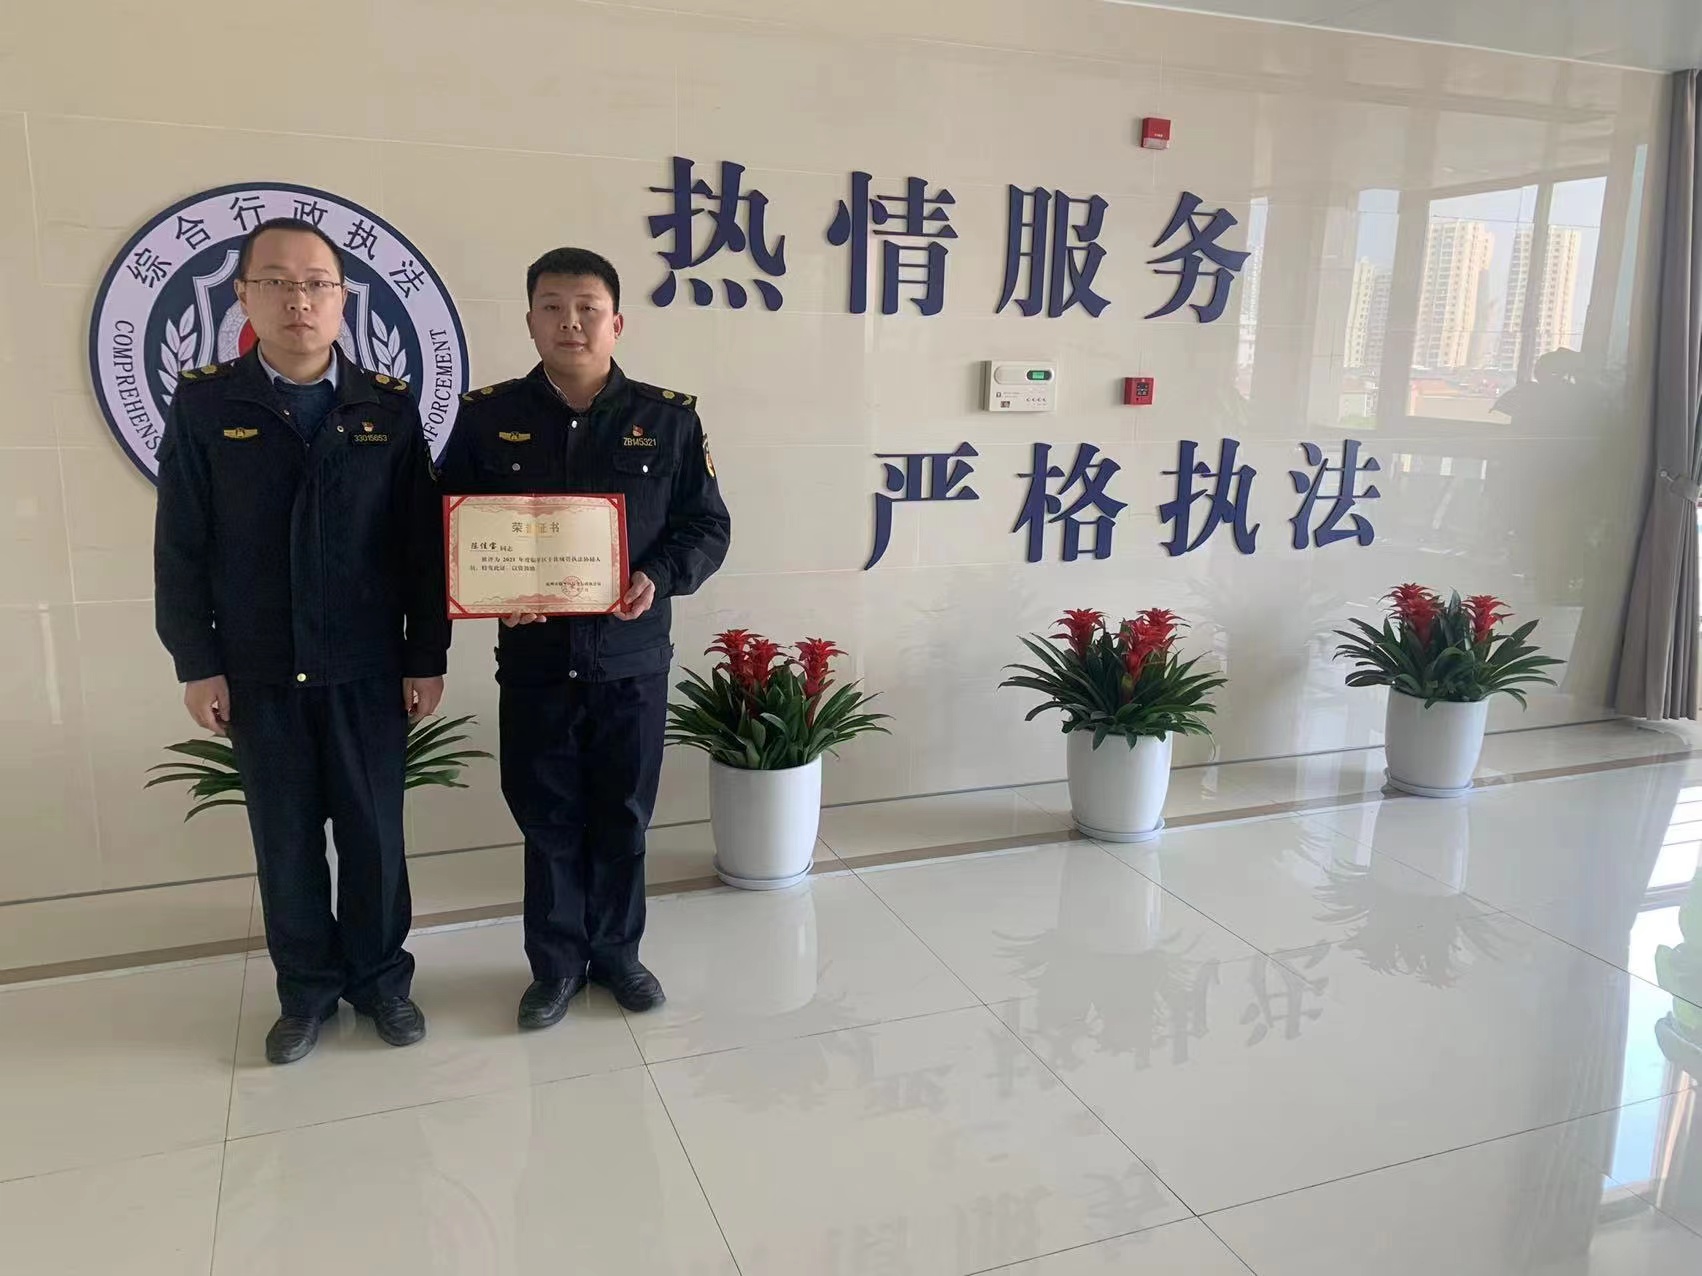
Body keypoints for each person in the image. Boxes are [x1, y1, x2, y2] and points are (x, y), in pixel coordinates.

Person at [154, 218, 449, 1065]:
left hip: (367, 667)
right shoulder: (208, 405)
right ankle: (307, 993)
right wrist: (197, 661)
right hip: (260, 668)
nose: (299, 299)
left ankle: (381, 981)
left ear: (343, 299)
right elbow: (181, 545)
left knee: (374, 838)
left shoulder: (385, 407)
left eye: (317, 283)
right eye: (277, 282)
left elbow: (419, 547)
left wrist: (425, 656)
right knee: (285, 845)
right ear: (243, 294)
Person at [439, 247, 730, 1029]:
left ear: (616, 322)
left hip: (630, 659)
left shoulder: (668, 420)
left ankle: (619, 955)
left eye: (587, 308)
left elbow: (707, 527)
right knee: (547, 816)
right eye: (553, 307)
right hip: (535, 661)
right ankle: (557, 966)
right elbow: (449, 525)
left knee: (624, 814)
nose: (570, 322)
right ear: (530, 319)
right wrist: (491, 592)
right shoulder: (488, 417)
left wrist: (658, 575)